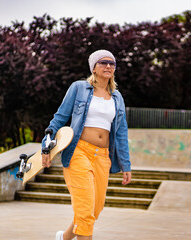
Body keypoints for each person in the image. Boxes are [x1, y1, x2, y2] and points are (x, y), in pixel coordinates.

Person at [41, 49, 132, 240]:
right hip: (79, 151)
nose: (108, 66)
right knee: (85, 208)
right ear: (94, 67)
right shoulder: (79, 88)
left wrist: (125, 164)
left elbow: (121, 132)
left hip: (103, 156)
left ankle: (63, 238)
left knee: (94, 209)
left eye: (112, 63)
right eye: (103, 62)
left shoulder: (117, 97)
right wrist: (46, 145)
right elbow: (59, 118)